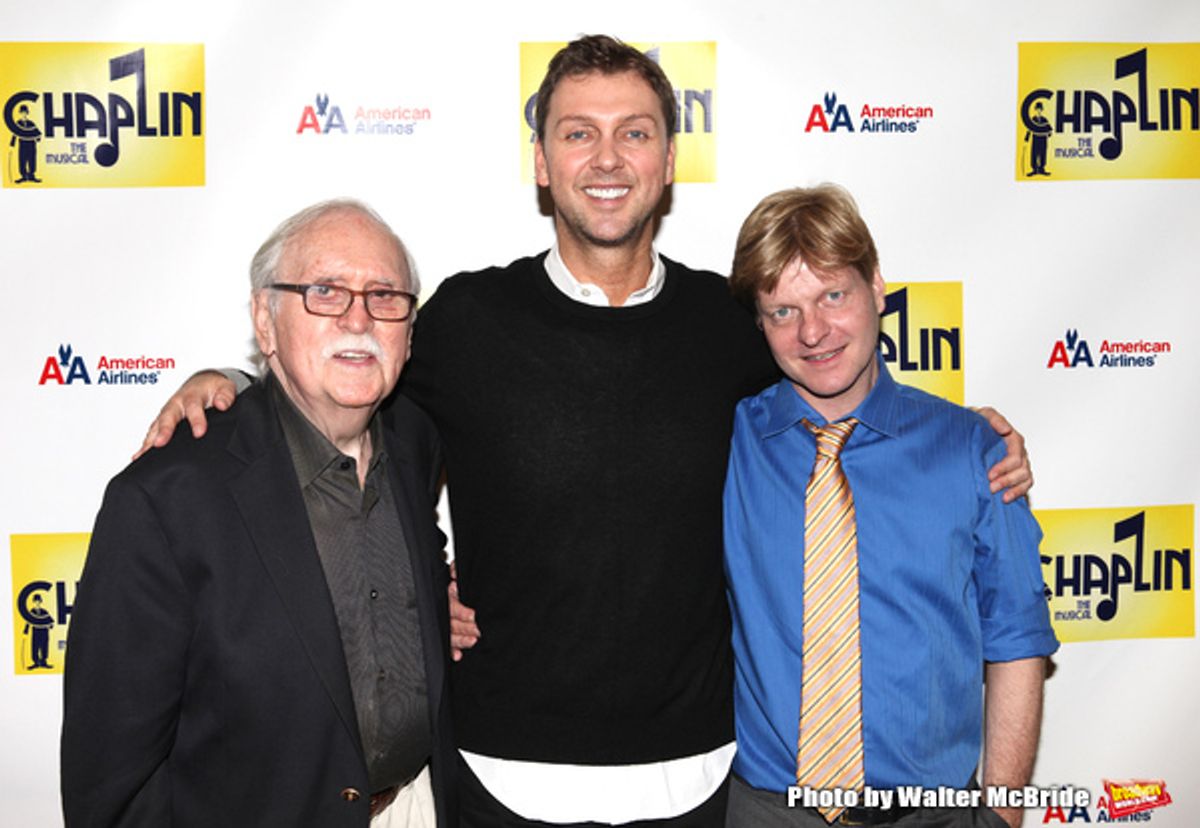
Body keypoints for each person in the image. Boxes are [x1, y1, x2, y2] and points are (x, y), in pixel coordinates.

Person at [135, 36, 1032, 828]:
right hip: (499, 776)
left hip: (700, 781)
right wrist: (229, 383)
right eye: (579, 132)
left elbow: (839, 387)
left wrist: (969, 432)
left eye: (634, 131)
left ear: (669, 159)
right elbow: (348, 424)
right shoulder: (465, 318)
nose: (608, 157)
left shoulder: (727, 329)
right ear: (541, 160)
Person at [61, 200, 457, 827]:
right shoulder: (165, 498)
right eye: (325, 291)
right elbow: (112, 777)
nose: (359, 317)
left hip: (417, 807)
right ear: (264, 322)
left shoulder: (414, 440)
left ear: (408, 331)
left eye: (384, 295)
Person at [722, 184, 1058, 828]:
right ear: (759, 323)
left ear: (877, 287)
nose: (814, 331)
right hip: (767, 809)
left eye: (833, 296)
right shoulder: (728, 440)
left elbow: (1016, 634)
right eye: (783, 311)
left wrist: (1003, 814)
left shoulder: (971, 449)